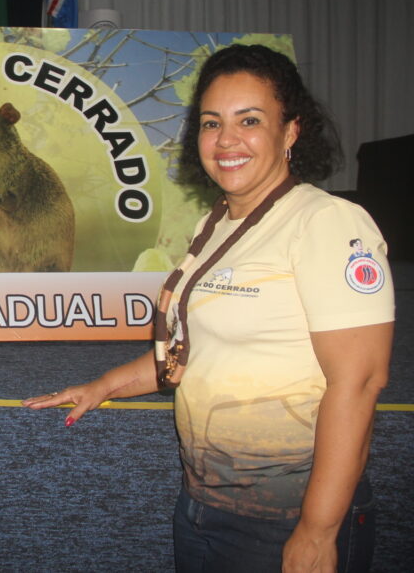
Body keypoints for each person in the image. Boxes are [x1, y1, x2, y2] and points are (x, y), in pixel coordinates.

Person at [24, 44, 394, 572]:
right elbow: (193, 352)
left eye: (249, 120)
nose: (226, 140)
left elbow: (360, 382)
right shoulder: (214, 224)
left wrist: (317, 530)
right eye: (211, 122)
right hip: (203, 505)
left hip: (289, 516)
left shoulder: (329, 223)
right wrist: (102, 386)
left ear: (290, 131)